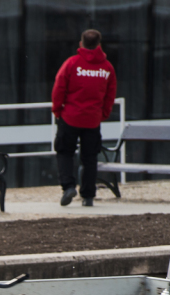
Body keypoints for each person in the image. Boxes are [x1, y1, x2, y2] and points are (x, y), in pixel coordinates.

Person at [51, 29, 118, 207]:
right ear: (99, 45)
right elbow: (110, 94)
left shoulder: (72, 63)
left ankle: (68, 186)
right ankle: (88, 196)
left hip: (70, 117)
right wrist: (103, 113)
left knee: (65, 152)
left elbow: (59, 88)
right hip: (93, 120)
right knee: (90, 158)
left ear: (81, 43)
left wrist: (57, 110)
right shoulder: (107, 68)